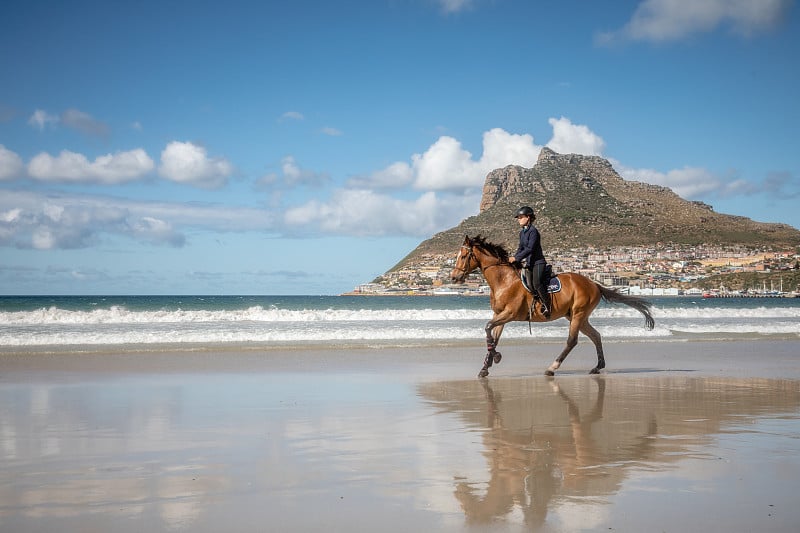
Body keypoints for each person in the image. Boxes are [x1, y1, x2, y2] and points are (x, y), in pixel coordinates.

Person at [508, 206, 551, 317]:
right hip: (529, 263)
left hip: (538, 263)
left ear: (528, 217)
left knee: (536, 283)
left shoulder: (533, 232)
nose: (519, 219)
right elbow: (521, 248)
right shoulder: (522, 233)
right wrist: (514, 258)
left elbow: (530, 249)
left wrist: (517, 258)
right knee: (524, 284)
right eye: (518, 218)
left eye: (521, 217)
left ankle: (547, 305)